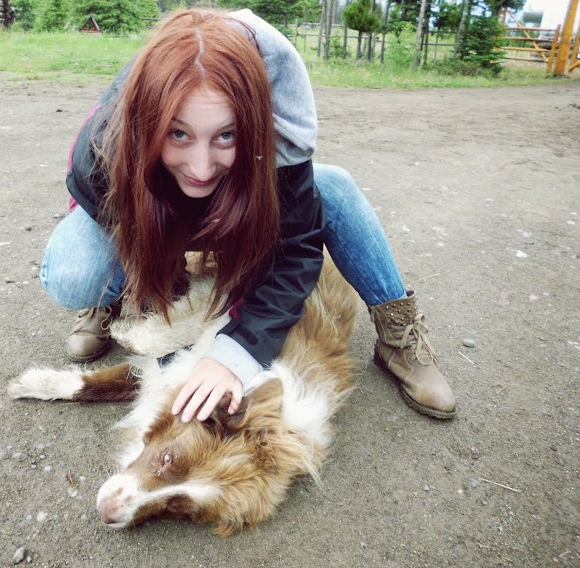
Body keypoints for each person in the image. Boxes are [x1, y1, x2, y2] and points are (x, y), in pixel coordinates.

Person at [40, 9, 456, 421]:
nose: (201, 168)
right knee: (75, 273)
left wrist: (236, 352)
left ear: (257, 125)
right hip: (151, 205)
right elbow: (107, 213)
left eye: (227, 134)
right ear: (146, 124)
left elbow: (295, 253)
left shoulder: (280, 135)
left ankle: (398, 334)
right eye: (178, 133)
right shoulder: (106, 149)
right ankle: (106, 299)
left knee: (333, 185)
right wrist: (160, 267)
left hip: (241, 201)